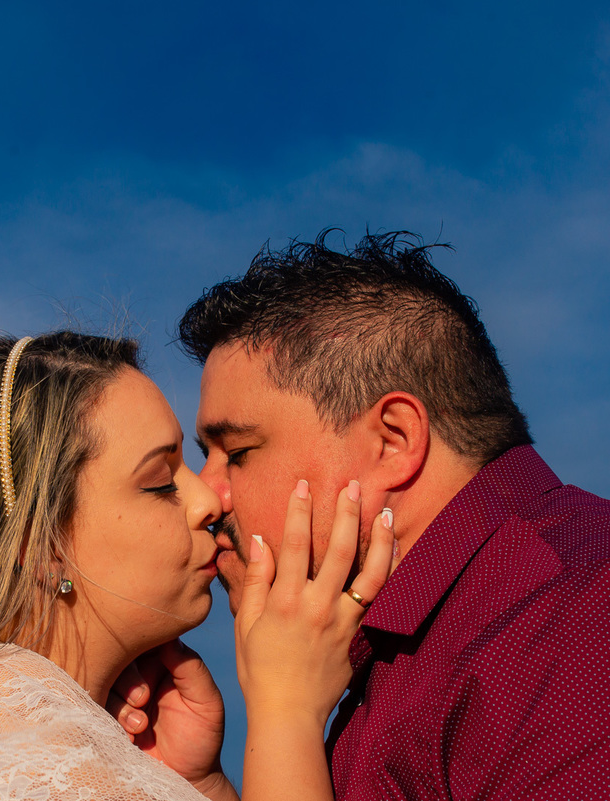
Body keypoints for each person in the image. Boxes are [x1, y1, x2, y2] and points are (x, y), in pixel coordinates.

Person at [115, 231, 610, 799]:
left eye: (239, 451)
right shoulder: (405, 649)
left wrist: (284, 717)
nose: (207, 498)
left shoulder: (571, 621)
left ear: (394, 441)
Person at [0, 332, 394, 801]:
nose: (210, 501)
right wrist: (286, 711)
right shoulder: (8, 752)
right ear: (42, 545)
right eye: (160, 481)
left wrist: (197, 786)